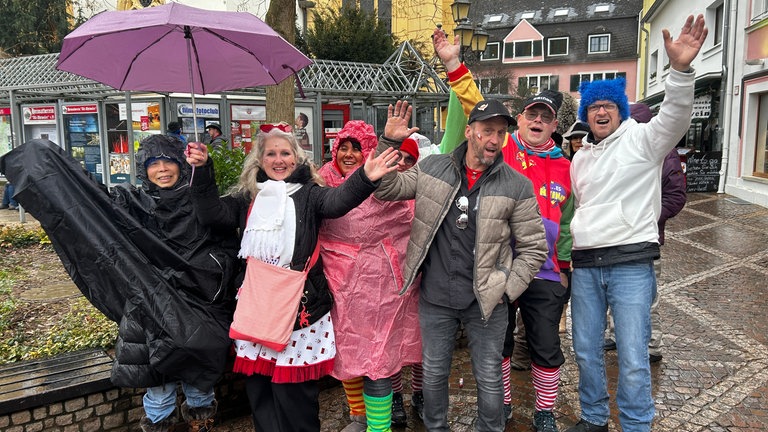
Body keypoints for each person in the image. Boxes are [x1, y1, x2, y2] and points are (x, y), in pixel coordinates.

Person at [0, 135, 241, 432]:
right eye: (154, 164)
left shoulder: (199, 203)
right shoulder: (132, 202)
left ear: (182, 164)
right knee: (158, 387)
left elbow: (220, 229)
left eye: (170, 162)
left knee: (199, 378)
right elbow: (90, 200)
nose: (163, 169)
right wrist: (48, 162)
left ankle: (201, 424)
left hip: (199, 305)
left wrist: (203, 168)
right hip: (149, 309)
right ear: (144, 169)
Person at [185, 122, 400, 432]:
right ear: (259, 160)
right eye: (271, 153)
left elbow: (338, 202)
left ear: (297, 159)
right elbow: (211, 215)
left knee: (294, 397)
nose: (278, 159)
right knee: (260, 393)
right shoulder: (249, 198)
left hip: (299, 308)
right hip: (258, 306)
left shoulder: (310, 194)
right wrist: (204, 170)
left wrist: (366, 176)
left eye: (285, 152)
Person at [565, 15, 707, 432]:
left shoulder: (644, 140)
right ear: (586, 115)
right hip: (588, 264)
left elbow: (676, 117)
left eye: (608, 105)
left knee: (631, 354)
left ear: (620, 110)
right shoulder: (580, 158)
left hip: (630, 262)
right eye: (593, 107)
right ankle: (593, 417)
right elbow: (582, 206)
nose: (600, 111)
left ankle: (636, 423)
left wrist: (680, 71)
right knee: (587, 350)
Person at [374, 98, 548, 431]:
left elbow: (534, 248)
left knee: (489, 375)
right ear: (469, 132)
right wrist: (390, 142)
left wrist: (507, 289)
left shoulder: (516, 185)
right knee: (435, 373)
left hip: (487, 301)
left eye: (501, 132)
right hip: (436, 295)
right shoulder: (432, 168)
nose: (494, 140)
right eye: (486, 131)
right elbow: (385, 188)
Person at [433, 28, 574, 431]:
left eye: (546, 117)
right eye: (532, 114)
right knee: (500, 343)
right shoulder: (506, 148)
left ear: (553, 126)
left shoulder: (567, 165)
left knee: (547, 345)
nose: (538, 121)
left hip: (544, 270)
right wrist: (452, 63)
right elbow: (476, 105)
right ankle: (506, 405)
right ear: (523, 119)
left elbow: (567, 220)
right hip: (500, 265)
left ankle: (544, 412)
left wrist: (563, 264)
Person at [317, 120, 422, 432]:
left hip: (380, 286)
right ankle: (359, 416)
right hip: (337, 281)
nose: (349, 154)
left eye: (357, 148)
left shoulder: (386, 179)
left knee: (377, 356)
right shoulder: (321, 179)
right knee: (347, 352)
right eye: (344, 148)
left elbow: (407, 218)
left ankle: (380, 426)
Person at [603, 103, 687, 363]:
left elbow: (675, 197)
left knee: (646, 296)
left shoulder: (662, 151)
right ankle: (616, 334)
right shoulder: (613, 147)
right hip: (612, 238)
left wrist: (644, 216)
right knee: (613, 290)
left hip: (645, 240)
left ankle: (652, 344)